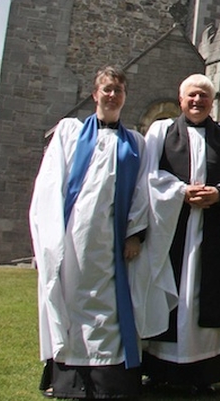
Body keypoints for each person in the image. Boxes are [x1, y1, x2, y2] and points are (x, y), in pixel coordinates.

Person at [29, 66, 149, 399]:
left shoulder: (135, 142)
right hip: (73, 236)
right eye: (107, 89)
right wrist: (50, 239)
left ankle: (109, 379)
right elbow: (51, 183)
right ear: (95, 93)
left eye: (119, 90)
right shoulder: (69, 133)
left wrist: (134, 234)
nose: (112, 95)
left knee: (109, 307)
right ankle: (67, 377)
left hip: (111, 241)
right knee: (70, 300)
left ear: (125, 96)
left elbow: (141, 192)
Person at [142, 73, 220, 395]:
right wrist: (179, 191)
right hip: (171, 231)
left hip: (213, 231)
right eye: (192, 96)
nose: (197, 101)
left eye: (204, 96)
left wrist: (218, 194)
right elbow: (148, 176)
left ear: (212, 101)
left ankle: (204, 374)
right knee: (168, 292)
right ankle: (160, 371)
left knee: (208, 296)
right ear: (180, 99)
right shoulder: (161, 131)